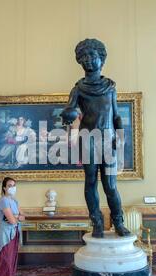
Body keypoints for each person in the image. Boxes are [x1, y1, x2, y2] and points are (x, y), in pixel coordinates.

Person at [60, 38, 131, 238]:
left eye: (92, 56)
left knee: (110, 185)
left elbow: (116, 115)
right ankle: (97, 223)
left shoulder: (110, 87)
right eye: (83, 57)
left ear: (101, 58)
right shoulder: (78, 89)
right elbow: (70, 111)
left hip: (108, 137)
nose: (88, 60)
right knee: (91, 181)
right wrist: (68, 114)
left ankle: (118, 222)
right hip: (87, 138)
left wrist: (120, 137)